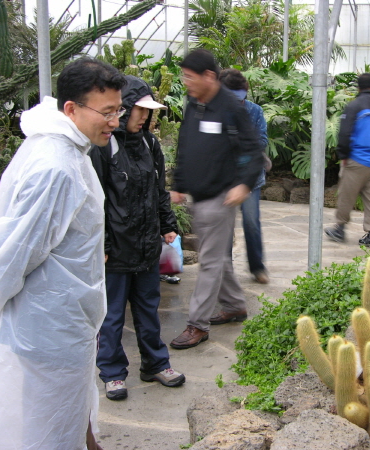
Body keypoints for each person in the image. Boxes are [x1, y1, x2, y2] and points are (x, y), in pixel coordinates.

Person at [0, 57, 125, 449]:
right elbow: (21, 244)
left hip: (63, 316)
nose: (114, 121)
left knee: (70, 411)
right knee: (50, 422)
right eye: (106, 112)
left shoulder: (67, 150)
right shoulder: (57, 166)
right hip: (49, 323)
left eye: (118, 110)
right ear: (71, 109)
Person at [89, 75, 185, 401]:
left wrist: (167, 225)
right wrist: (102, 243)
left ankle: (156, 364)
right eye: (139, 110)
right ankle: (113, 373)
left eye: (148, 112)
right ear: (125, 107)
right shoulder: (103, 148)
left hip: (146, 246)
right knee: (113, 315)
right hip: (115, 251)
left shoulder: (150, 145)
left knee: (148, 309)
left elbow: (160, 191)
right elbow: (95, 200)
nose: (144, 117)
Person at [169, 49, 262, 350]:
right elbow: (186, 143)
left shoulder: (231, 108)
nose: (186, 82)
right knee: (218, 257)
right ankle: (235, 305)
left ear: (209, 76)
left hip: (221, 198)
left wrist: (244, 184)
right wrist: (179, 184)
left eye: (189, 76)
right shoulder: (194, 104)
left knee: (209, 261)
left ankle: (198, 324)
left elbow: (255, 151)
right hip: (199, 195)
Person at [324, 73, 370, 249]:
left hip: (356, 159)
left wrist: (343, 155)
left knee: (347, 195)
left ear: (359, 87)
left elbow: (345, 133)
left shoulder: (354, 106)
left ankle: (340, 229)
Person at [219, 68, 270, 284]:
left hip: (250, 179)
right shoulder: (216, 111)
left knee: (251, 222)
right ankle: (225, 269)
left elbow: (262, 140)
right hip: (224, 179)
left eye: (241, 98)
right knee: (224, 227)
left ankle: (257, 267)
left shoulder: (255, 111)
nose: (238, 103)